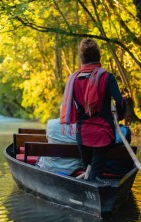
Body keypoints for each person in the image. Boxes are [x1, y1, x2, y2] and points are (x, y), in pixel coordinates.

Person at [60, 38, 126, 184]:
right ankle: (95, 186)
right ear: (98, 57)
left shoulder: (73, 79)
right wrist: (121, 116)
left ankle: (88, 185)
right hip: (103, 135)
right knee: (94, 177)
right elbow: (120, 102)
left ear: (81, 59)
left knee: (89, 171)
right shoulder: (107, 77)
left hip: (82, 135)